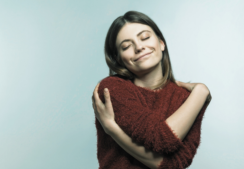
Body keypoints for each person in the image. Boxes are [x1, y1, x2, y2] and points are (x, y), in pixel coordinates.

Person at [91, 11, 212, 169]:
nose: (139, 47)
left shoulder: (188, 98)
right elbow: (162, 138)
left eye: (145, 37)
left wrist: (113, 130)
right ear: (119, 59)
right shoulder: (111, 88)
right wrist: (201, 91)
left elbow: (176, 165)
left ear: (161, 43)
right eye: (126, 46)